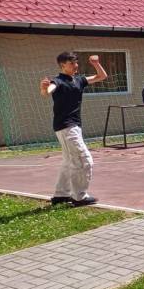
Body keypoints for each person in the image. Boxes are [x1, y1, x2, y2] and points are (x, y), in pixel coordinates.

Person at [40, 52, 107, 206]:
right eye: (72, 63)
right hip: (66, 127)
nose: (76, 66)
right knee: (85, 160)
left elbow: (101, 76)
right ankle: (79, 197)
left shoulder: (79, 80)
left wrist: (96, 64)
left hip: (74, 126)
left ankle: (60, 195)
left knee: (68, 162)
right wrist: (44, 88)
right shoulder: (58, 82)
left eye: (76, 63)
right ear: (62, 65)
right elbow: (48, 91)